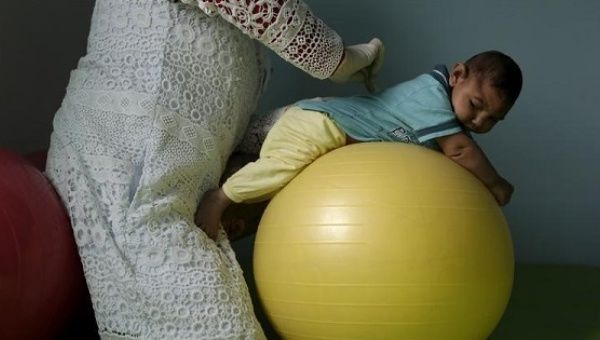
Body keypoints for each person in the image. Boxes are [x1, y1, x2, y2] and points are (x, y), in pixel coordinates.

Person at [44, 0, 384, 338]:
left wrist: (306, 117)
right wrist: (339, 60)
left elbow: (218, 127)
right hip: (125, 164)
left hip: (149, 168)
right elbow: (262, 7)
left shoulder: (238, 44)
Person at [197, 50, 523, 241]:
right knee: (279, 171)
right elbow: (460, 151)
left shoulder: (444, 116)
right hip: (321, 124)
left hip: (331, 130)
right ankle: (221, 197)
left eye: (492, 119)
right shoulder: (430, 97)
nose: (478, 121)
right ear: (457, 75)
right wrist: (495, 183)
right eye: (476, 104)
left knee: (280, 194)